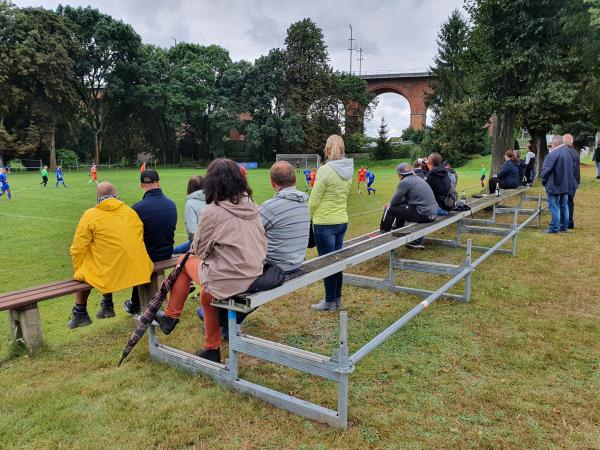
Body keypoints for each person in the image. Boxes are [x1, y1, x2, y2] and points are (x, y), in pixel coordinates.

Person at [155, 158, 267, 363]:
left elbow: (197, 250)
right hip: (255, 272)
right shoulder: (250, 204)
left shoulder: (213, 211)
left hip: (232, 276)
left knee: (182, 261)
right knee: (206, 297)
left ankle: (171, 316)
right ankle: (211, 349)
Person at [67, 182, 153, 328]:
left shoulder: (90, 215)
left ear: (97, 199)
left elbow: (77, 249)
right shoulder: (130, 211)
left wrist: (79, 270)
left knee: (88, 266)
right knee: (107, 256)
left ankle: (80, 312)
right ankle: (106, 304)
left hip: (112, 271)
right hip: (139, 269)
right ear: (116, 195)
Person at [122, 169, 178, 315]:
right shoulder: (171, 204)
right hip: (167, 253)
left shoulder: (137, 208)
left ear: (141, 185)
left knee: (135, 258)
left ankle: (134, 304)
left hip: (149, 257)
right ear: (158, 183)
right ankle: (135, 303)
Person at [308, 134, 353, 311]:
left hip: (325, 222)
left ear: (326, 150)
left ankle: (329, 301)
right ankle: (336, 299)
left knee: (328, 263)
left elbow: (314, 200)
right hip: (341, 220)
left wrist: (306, 218)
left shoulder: (325, 170)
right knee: (337, 261)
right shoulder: (349, 169)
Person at [259, 161, 310, 274]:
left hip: (276, 267)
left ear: (273, 183)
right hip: (297, 262)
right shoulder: (304, 203)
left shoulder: (269, 207)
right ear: (295, 180)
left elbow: (251, 234)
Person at [380, 163, 438, 246]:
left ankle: (383, 233)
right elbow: (409, 199)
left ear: (399, 174)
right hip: (432, 214)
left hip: (423, 214)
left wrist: (390, 204)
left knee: (389, 208)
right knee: (401, 208)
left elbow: (393, 202)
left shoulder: (404, 182)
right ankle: (398, 228)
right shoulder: (418, 178)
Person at [541, 135, 576, 234]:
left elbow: (546, 170)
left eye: (551, 144)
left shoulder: (553, 154)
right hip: (565, 184)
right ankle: (564, 227)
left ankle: (554, 228)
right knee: (564, 206)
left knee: (554, 207)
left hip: (554, 185)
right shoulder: (569, 152)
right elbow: (573, 169)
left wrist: (544, 181)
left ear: (554, 144)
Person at [173, 176, 206, 255]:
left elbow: (192, 230)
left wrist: (194, 247)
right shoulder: (212, 198)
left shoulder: (190, 203)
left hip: (199, 243)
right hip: (212, 241)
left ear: (190, 187)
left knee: (174, 251)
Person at [563, 134, 580, 229]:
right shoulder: (575, 152)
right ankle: (569, 221)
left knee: (566, 202)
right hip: (574, 181)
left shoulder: (567, 152)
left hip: (568, 181)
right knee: (569, 202)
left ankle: (567, 222)